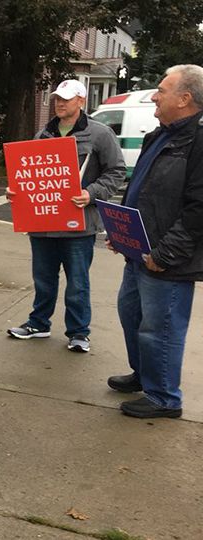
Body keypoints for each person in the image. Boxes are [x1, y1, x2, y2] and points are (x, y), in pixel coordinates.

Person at [106, 64, 203, 419]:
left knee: (160, 328)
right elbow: (140, 188)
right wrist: (120, 232)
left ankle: (163, 397)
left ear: (185, 98)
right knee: (130, 313)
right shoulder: (160, 135)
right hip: (139, 250)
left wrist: (165, 254)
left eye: (162, 90)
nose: (154, 97)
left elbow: (198, 209)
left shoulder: (198, 142)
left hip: (166, 259)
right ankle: (145, 375)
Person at [5, 79, 125, 352]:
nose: (59, 103)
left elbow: (116, 171)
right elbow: (30, 176)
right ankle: (38, 324)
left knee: (78, 283)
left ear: (81, 101)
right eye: (57, 98)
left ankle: (79, 332)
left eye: (66, 99)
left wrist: (91, 193)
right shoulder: (42, 135)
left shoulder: (100, 134)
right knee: (43, 280)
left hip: (78, 226)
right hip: (43, 224)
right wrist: (17, 191)